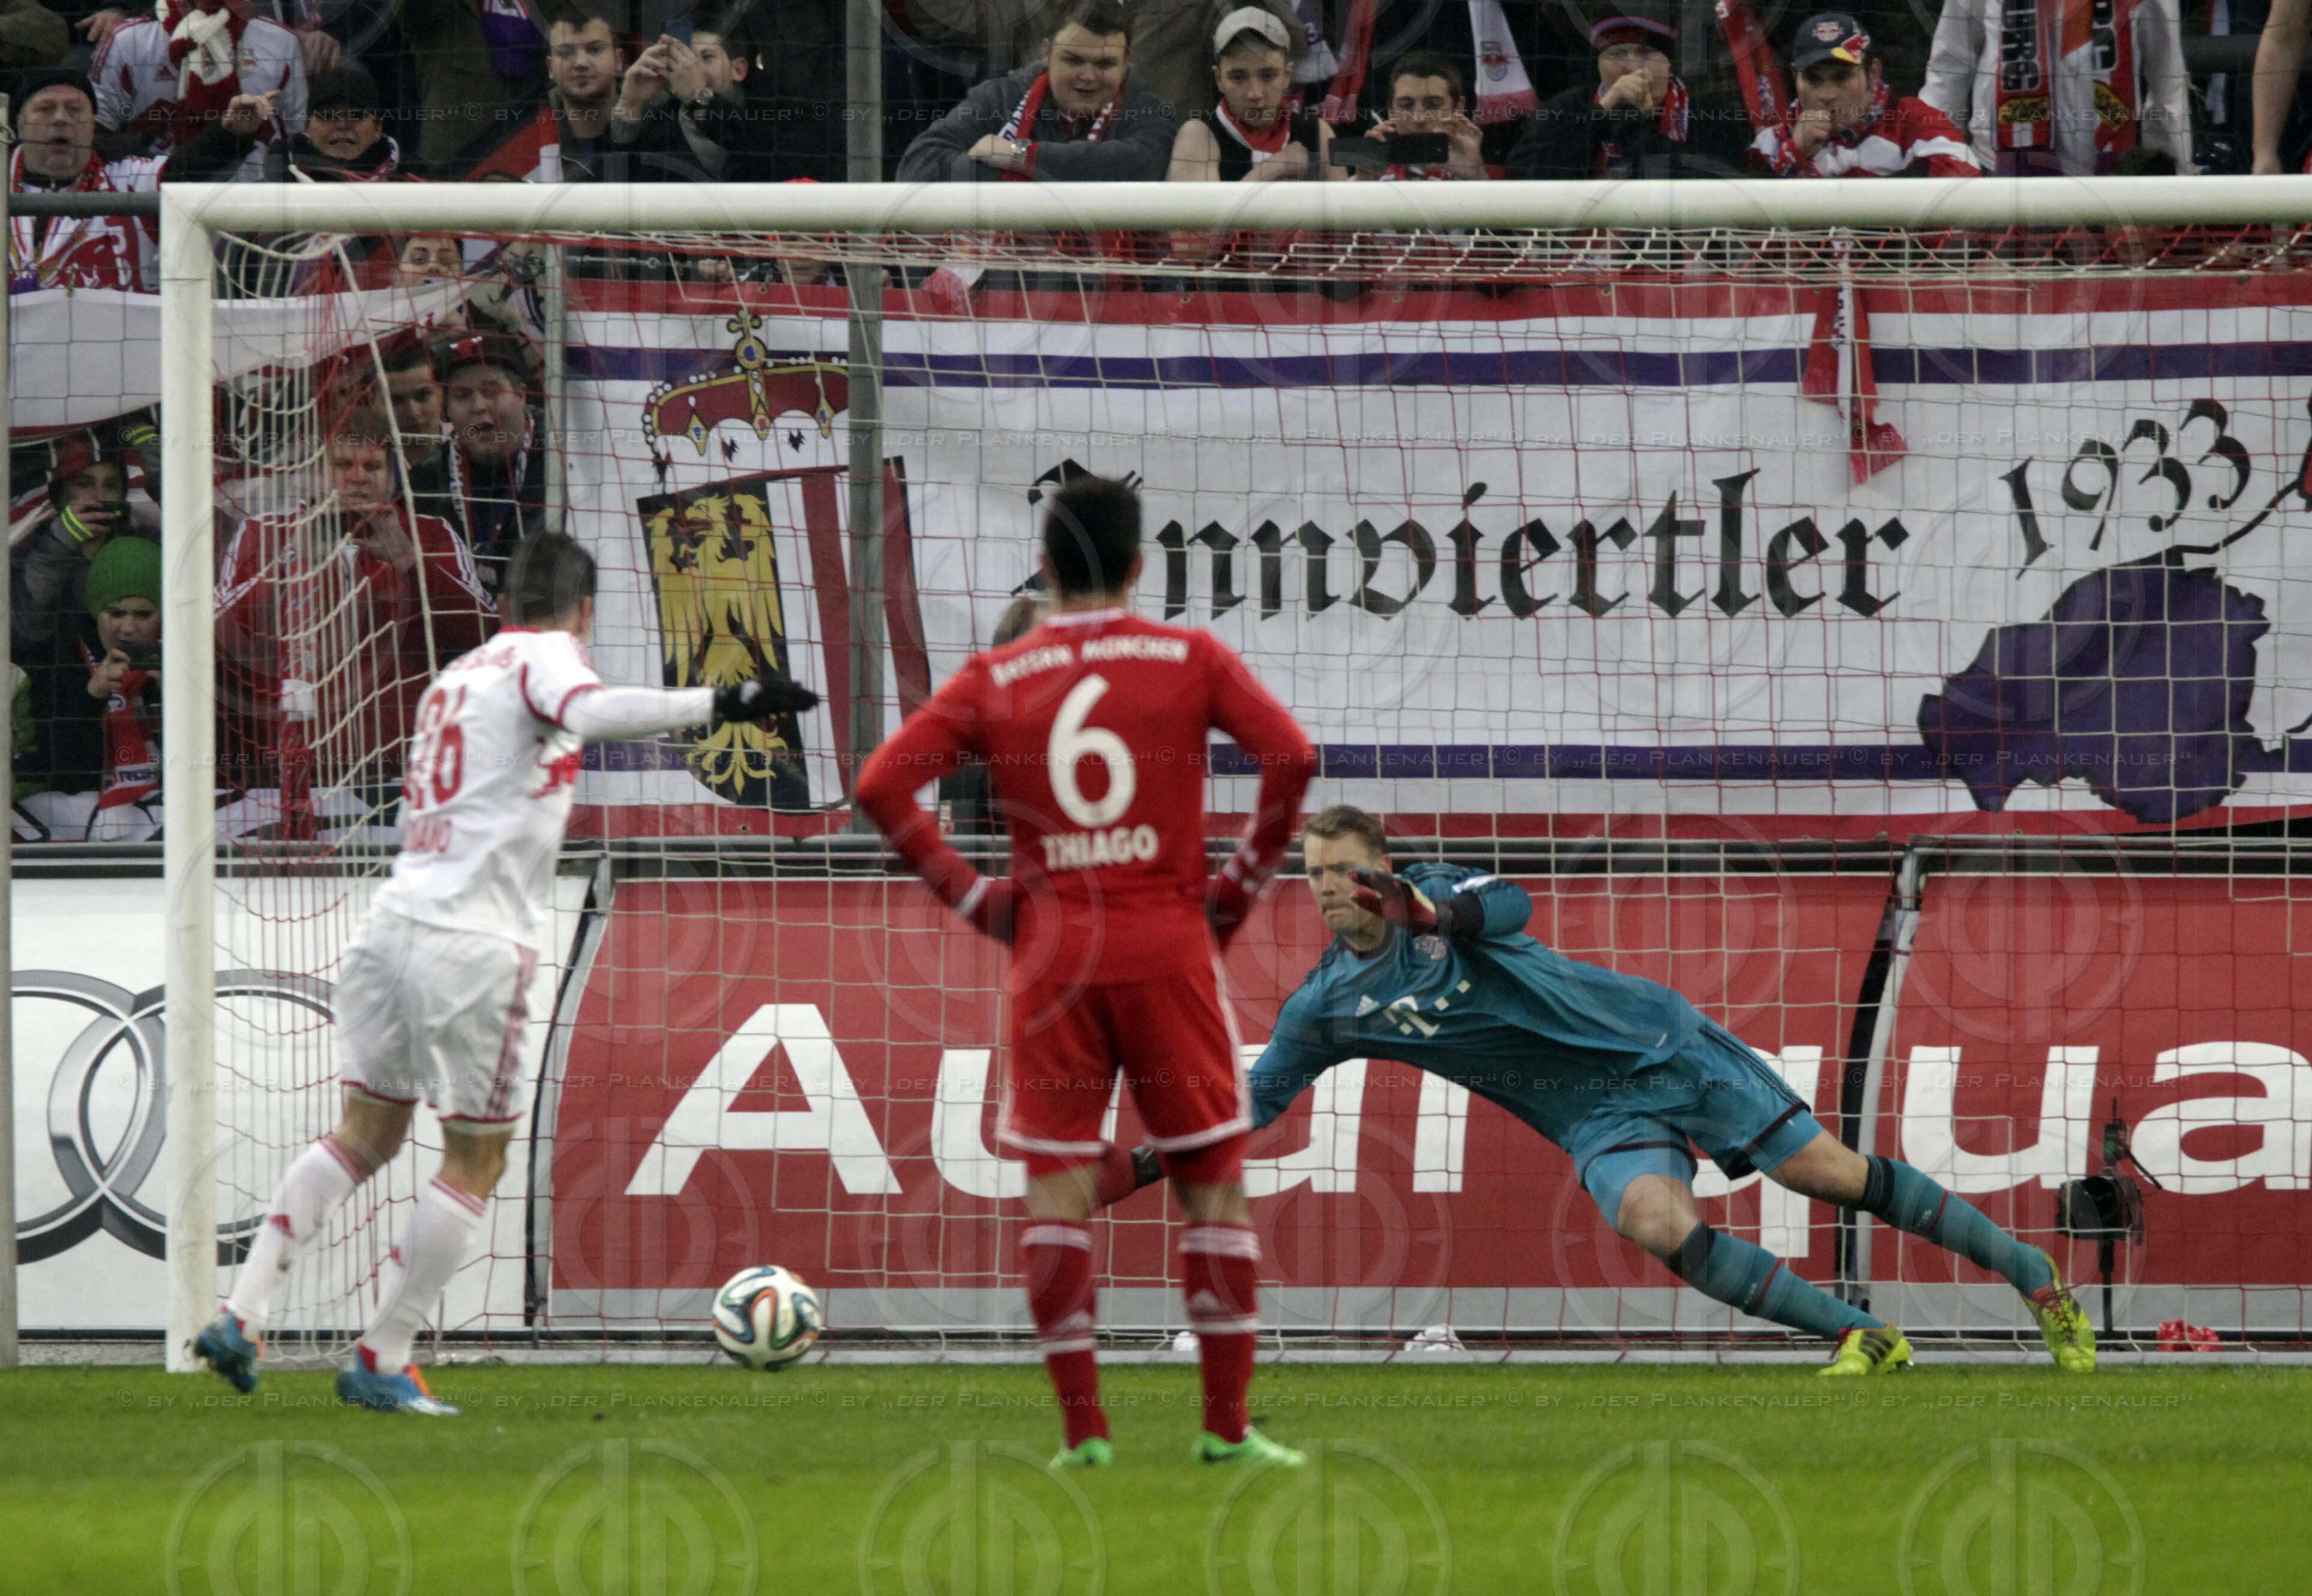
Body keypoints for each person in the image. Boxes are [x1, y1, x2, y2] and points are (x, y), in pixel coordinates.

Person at [1088, 803, 2100, 1376]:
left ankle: (2035, 1280)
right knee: (1656, 1224)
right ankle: (1859, 1335)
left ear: (1383, 868)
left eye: (1344, 870)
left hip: (1656, 1046)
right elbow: (1254, 1104)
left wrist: (1430, 912)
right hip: (1592, 1114)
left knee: (1827, 1174)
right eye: (1312, 874)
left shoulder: (1440, 895)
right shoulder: (1325, 1006)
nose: (1326, 888)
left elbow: (1509, 904)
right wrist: (1137, 1164)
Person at [194, 533, 820, 1411]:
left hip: (392, 925)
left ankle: (243, 1311)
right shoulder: (548, 658)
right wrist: (724, 699)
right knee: (477, 1157)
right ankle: (383, 1356)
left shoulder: (456, 678)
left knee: (365, 1135)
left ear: (501, 603)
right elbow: (590, 711)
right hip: (475, 943)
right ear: (585, 609)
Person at [855, 476, 1318, 1470]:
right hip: (1166, 946)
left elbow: (880, 784)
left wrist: (974, 898)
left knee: (1057, 1194)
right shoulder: (1189, 657)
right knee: (1211, 1185)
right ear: (1140, 565)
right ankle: (1225, 1428)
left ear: (1046, 565)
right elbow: (1290, 757)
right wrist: (1233, 893)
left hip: (1053, 958)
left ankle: (1084, 1437)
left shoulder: (996, 674)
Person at [213, 409, 497, 800]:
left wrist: (410, 563)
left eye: (373, 466)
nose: (359, 477)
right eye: (344, 465)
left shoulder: (431, 533)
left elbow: (483, 637)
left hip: (404, 771)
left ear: (393, 474)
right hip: (286, 773)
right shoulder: (263, 532)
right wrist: (288, 564)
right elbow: (217, 641)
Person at [9, 66, 271, 289]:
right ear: (20, 125)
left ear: (93, 126)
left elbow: (188, 168)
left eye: (75, 110)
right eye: (45, 109)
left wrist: (231, 133)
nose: (61, 119)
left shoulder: (129, 175)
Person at [895, 0, 1176, 184]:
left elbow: (1142, 165)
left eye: (1105, 64)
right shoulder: (1000, 98)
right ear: (1046, 53)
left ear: (1126, 62)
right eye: (1073, 60)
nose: (1088, 76)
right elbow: (919, 166)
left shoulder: (1146, 110)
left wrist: (1020, 156)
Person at [1921, 0, 2191, 176]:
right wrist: (1941, 157)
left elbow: (2167, 78)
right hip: (2003, 169)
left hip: (2113, 173)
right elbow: (1949, 66)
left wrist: (2174, 171)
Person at [16, 534, 164, 842]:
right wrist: (92, 698)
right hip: (85, 807)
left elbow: (218, 765)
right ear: (96, 612)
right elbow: (58, 772)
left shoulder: (193, 659)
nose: (128, 629)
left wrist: (180, 702)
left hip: (166, 806)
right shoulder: (65, 659)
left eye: (143, 615)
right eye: (116, 613)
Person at [1506, 2, 1753, 180]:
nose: (1632, 67)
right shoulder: (1563, 109)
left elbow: (1702, 195)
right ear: (1599, 63)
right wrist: (1600, 114)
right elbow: (1523, 179)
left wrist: (1632, 125)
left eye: (1646, 53)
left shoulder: (1710, 115)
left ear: (1669, 63)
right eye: (1617, 53)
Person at [89, 0, 305, 179]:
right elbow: (94, 138)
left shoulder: (281, 42)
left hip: (252, 201)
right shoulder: (128, 41)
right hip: (154, 200)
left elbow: (297, 135)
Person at [1752, 13, 1981, 177]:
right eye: (1814, 79)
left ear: (1873, 74)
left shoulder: (1913, 121)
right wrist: (1794, 155)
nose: (1827, 95)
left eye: (1842, 78)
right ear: (1796, 77)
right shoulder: (1771, 141)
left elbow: (1965, 178)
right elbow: (1743, 218)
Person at [11, 431, 156, 654]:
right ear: (60, 494)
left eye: (111, 486)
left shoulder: (145, 545)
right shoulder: (26, 546)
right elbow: (29, 628)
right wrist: (60, 541)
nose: (99, 496)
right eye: (85, 484)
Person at [435, 330, 547, 593]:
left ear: (521, 395)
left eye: (491, 391)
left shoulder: (563, 466)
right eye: (462, 395)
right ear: (447, 409)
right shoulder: (426, 480)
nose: (479, 406)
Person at [1166, 8, 1332, 184]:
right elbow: (1201, 204)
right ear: (1219, 79)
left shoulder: (1319, 132)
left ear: (1287, 76)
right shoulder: (1198, 136)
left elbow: (1345, 201)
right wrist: (1272, 168)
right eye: (1238, 78)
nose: (1255, 94)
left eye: (1268, 76)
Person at [1354, 52, 1489, 180]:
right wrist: (1364, 181)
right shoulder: (1373, 173)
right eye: (1406, 105)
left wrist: (1476, 175)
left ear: (1458, 109)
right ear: (1392, 112)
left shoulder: (1488, 174)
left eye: (1433, 105)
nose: (1419, 119)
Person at [545, 13, 624, 180]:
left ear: (619, 60)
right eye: (566, 53)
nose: (581, 63)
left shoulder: (657, 125)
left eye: (595, 50)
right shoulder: (527, 137)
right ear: (550, 67)